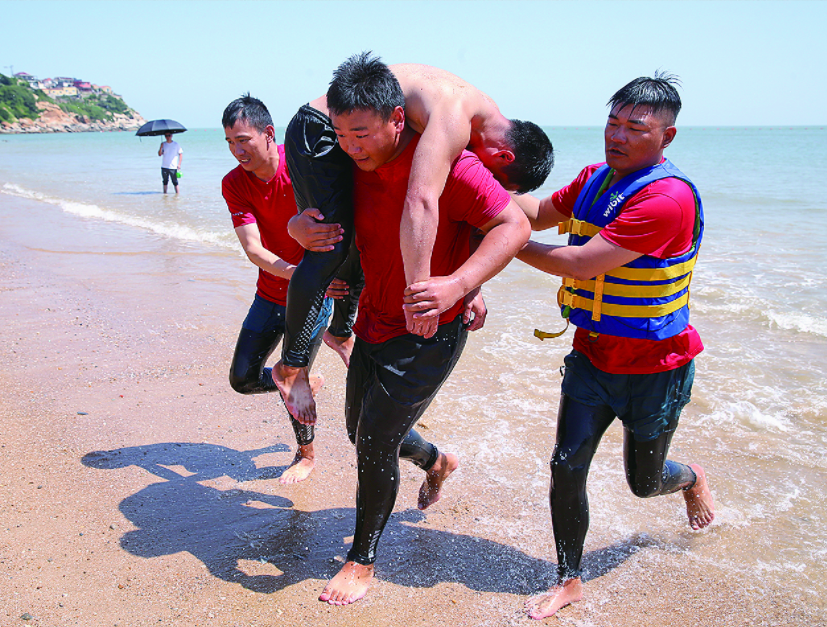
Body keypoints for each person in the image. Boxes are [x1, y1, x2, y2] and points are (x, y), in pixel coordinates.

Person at [315, 53, 532, 606]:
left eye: (361, 134)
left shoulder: (452, 165)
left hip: (433, 329)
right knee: (357, 429)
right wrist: (303, 230)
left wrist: (460, 284)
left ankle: (362, 561)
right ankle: (437, 460)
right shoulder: (347, 166)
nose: (351, 146)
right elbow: (312, 214)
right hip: (377, 318)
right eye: (341, 134)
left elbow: (514, 224)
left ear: (396, 118)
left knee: (375, 440)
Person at [511, 73, 716, 619]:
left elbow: (578, 262)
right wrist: (474, 189)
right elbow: (536, 214)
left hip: (656, 367)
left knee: (643, 483)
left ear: (666, 137)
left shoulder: (667, 199)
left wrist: (499, 243)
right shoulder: (594, 179)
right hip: (592, 356)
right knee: (565, 465)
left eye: (635, 127)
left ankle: (691, 477)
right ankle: (569, 578)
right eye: (613, 122)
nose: (617, 136)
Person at [273, 56, 553, 425]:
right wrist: (419, 296)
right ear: (504, 155)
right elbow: (421, 200)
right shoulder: (453, 120)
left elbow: (495, 217)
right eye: (497, 177)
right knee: (330, 245)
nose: (489, 182)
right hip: (320, 127)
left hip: (345, 123)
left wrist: (469, 284)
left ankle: (340, 330)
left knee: (353, 238)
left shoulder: (478, 109)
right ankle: (291, 365)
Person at [221, 94, 334, 484]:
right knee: (243, 378)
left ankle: (306, 456)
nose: (237, 151)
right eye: (230, 143)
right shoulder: (234, 184)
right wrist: (299, 274)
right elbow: (254, 249)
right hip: (270, 292)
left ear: (269, 134)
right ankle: (301, 380)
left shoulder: (303, 167)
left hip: (315, 300)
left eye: (243, 140)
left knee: (291, 375)